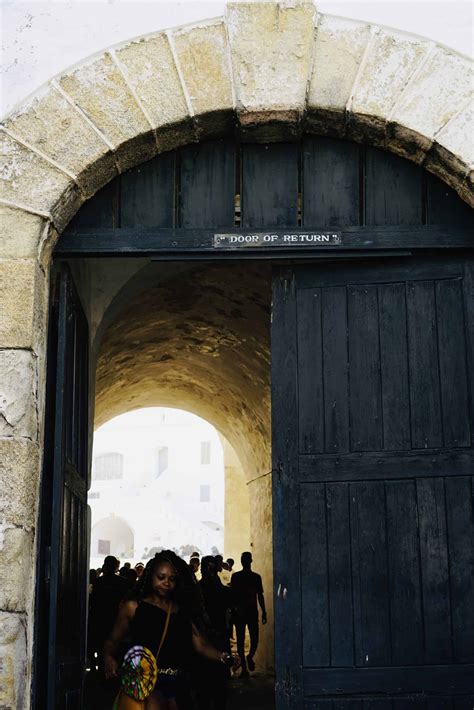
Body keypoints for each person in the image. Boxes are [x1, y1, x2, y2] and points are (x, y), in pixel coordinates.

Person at [104, 550, 240, 709]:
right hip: (145, 684)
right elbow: (113, 640)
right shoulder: (133, 608)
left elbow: (201, 645)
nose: (166, 583)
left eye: (172, 579)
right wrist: (108, 658)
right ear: (150, 576)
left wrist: (225, 657)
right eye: (161, 577)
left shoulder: (181, 612)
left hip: (177, 685)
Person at [88, 555, 129, 673]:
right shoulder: (123, 582)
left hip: (101, 620)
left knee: (101, 649)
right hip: (117, 619)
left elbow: (94, 602)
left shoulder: (99, 582)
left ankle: (101, 672)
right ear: (116, 567)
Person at [230, 552, 267, 678]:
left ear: (250, 561)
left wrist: (264, 611)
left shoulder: (253, 577)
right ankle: (245, 668)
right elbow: (233, 596)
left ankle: (249, 657)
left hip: (248, 612)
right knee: (244, 640)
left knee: (253, 639)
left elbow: (260, 595)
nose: (244, 561)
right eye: (243, 559)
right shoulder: (239, 577)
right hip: (244, 612)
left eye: (245, 559)